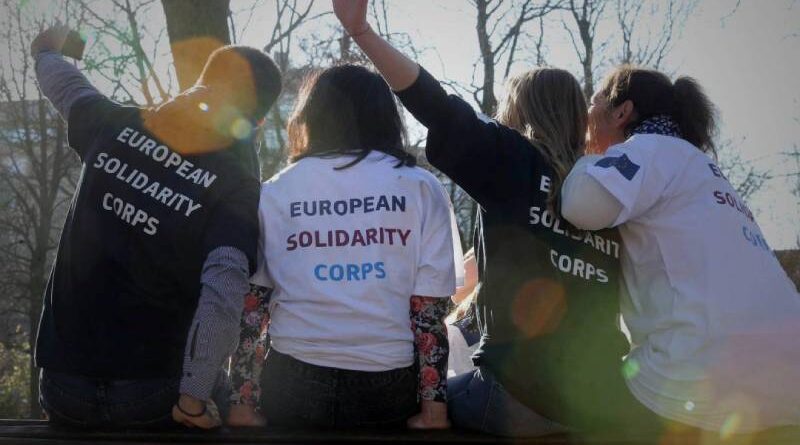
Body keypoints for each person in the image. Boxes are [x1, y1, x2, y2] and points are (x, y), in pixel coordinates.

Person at [333, 0, 653, 438]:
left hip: (517, 400)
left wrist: (362, 33)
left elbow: (433, 103)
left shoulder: (514, 159)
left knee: (396, 400)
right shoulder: (608, 189)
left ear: (522, 113)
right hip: (597, 403)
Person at [30, 25, 281, 429]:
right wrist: (193, 401)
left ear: (201, 82)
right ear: (260, 120)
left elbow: (60, 79)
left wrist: (52, 46)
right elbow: (223, 291)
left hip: (63, 387)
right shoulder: (236, 188)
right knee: (237, 403)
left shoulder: (111, 122)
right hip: (151, 394)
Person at [561, 65, 800, 435]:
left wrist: (584, 160)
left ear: (622, 112)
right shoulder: (703, 168)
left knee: (571, 400)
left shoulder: (646, 149)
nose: (586, 116)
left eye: (593, 103)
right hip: (788, 384)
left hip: (698, 373)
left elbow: (581, 206)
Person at [225, 64, 463, 429]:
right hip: (387, 382)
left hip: (292, 378)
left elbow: (253, 308)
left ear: (312, 116)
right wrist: (434, 411)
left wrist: (241, 403)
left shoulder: (275, 190)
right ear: (386, 117)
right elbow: (428, 311)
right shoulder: (421, 187)